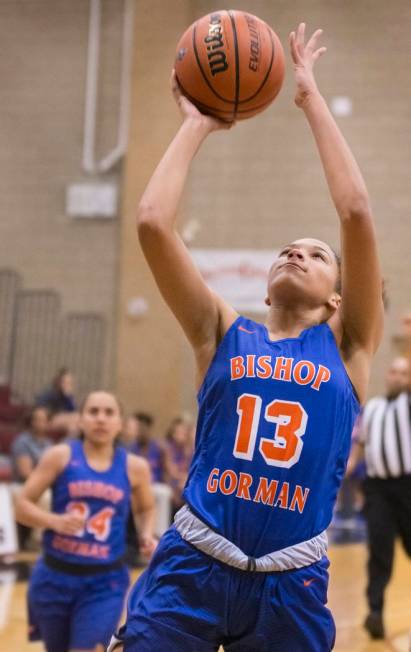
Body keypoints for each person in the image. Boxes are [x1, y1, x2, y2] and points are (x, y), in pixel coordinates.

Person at [109, 23, 383, 652]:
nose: (297, 251)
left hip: (292, 585)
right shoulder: (221, 333)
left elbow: (357, 213)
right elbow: (153, 223)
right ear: (262, 291)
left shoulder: (348, 347)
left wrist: (310, 97)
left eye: (316, 254)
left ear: (339, 298)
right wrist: (198, 123)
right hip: (192, 571)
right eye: (288, 249)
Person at [15, 390, 156, 652]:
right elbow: (21, 506)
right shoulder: (59, 456)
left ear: (120, 423)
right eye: (93, 412)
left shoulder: (135, 467)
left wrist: (146, 533)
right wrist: (53, 521)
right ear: (80, 421)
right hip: (53, 577)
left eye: (108, 412)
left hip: (105, 582)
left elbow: (147, 507)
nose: (100, 419)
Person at [347, 356, 411, 639]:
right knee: (379, 552)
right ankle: (375, 612)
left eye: (404, 373)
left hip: (407, 488)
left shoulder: (407, 405)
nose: (397, 377)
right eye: (394, 372)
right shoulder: (371, 407)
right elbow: (360, 445)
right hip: (378, 490)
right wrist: (347, 467)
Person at [11, 406, 52, 549]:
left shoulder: (49, 444)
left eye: (44, 420)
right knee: (47, 497)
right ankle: (38, 541)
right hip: (21, 485)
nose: (40, 423)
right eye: (37, 419)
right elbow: (25, 472)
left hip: (43, 486)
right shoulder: (22, 442)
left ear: (48, 423)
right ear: (31, 421)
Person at [36, 368, 79, 436]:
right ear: (59, 382)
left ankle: (68, 444)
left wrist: (68, 398)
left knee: (74, 425)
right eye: (66, 382)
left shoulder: (67, 396)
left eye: (70, 383)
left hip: (63, 420)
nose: (68, 385)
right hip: (49, 420)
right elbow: (41, 409)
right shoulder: (50, 393)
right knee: (76, 419)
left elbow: (73, 410)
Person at [163, 417, 193, 515]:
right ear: (173, 434)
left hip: (184, 482)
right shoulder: (168, 448)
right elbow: (171, 472)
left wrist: (185, 479)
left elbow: (193, 471)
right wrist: (183, 478)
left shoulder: (190, 450)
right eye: (178, 432)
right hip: (170, 482)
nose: (180, 435)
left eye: (183, 433)